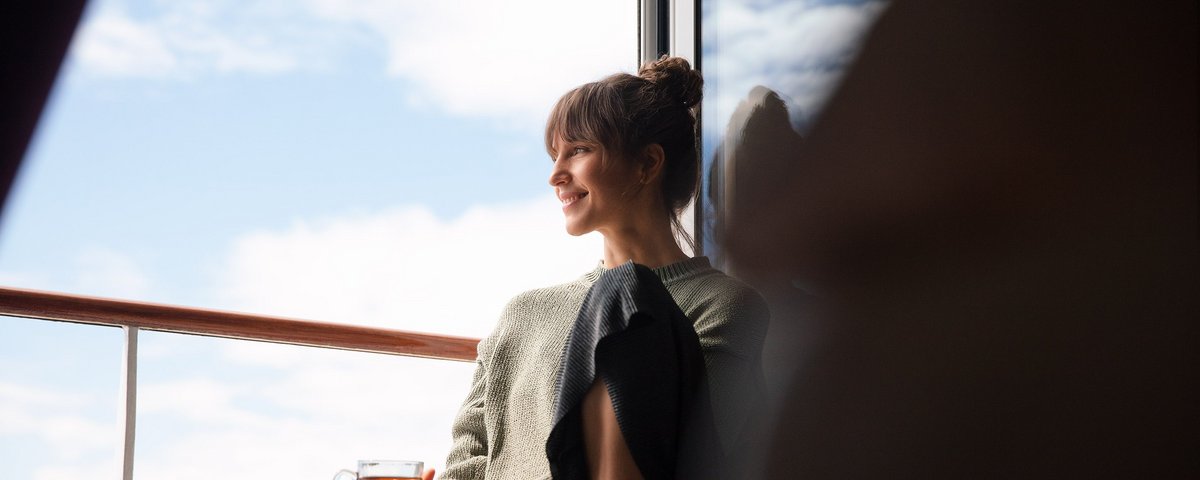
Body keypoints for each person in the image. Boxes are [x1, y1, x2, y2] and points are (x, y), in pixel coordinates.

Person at [438, 56, 769, 480]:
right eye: (554, 155)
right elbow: (465, 464)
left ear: (648, 163)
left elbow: (692, 456)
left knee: (625, 292)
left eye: (578, 150)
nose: (556, 175)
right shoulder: (522, 315)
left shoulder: (726, 306)